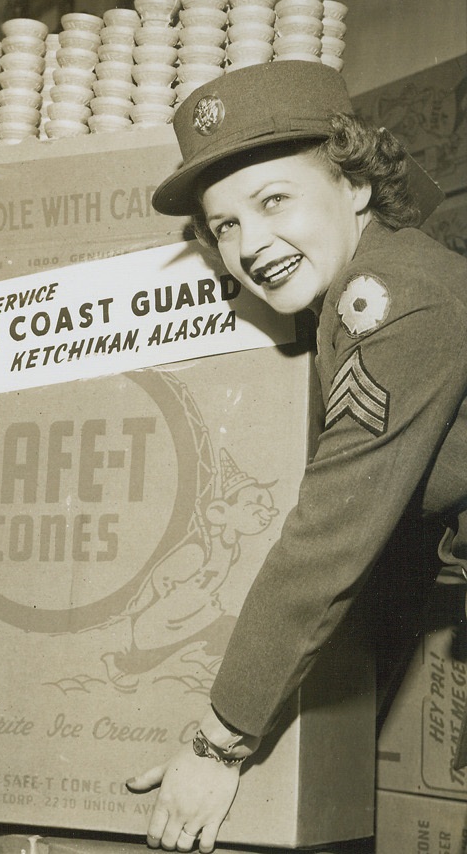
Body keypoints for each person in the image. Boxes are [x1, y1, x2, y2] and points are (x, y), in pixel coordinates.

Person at [126, 61, 467, 853]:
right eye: (224, 226)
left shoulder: (393, 302)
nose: (249, 245)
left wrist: (219, 742)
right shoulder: (369, 280)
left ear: (355, 183)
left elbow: (329, 540)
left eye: (274, 200)